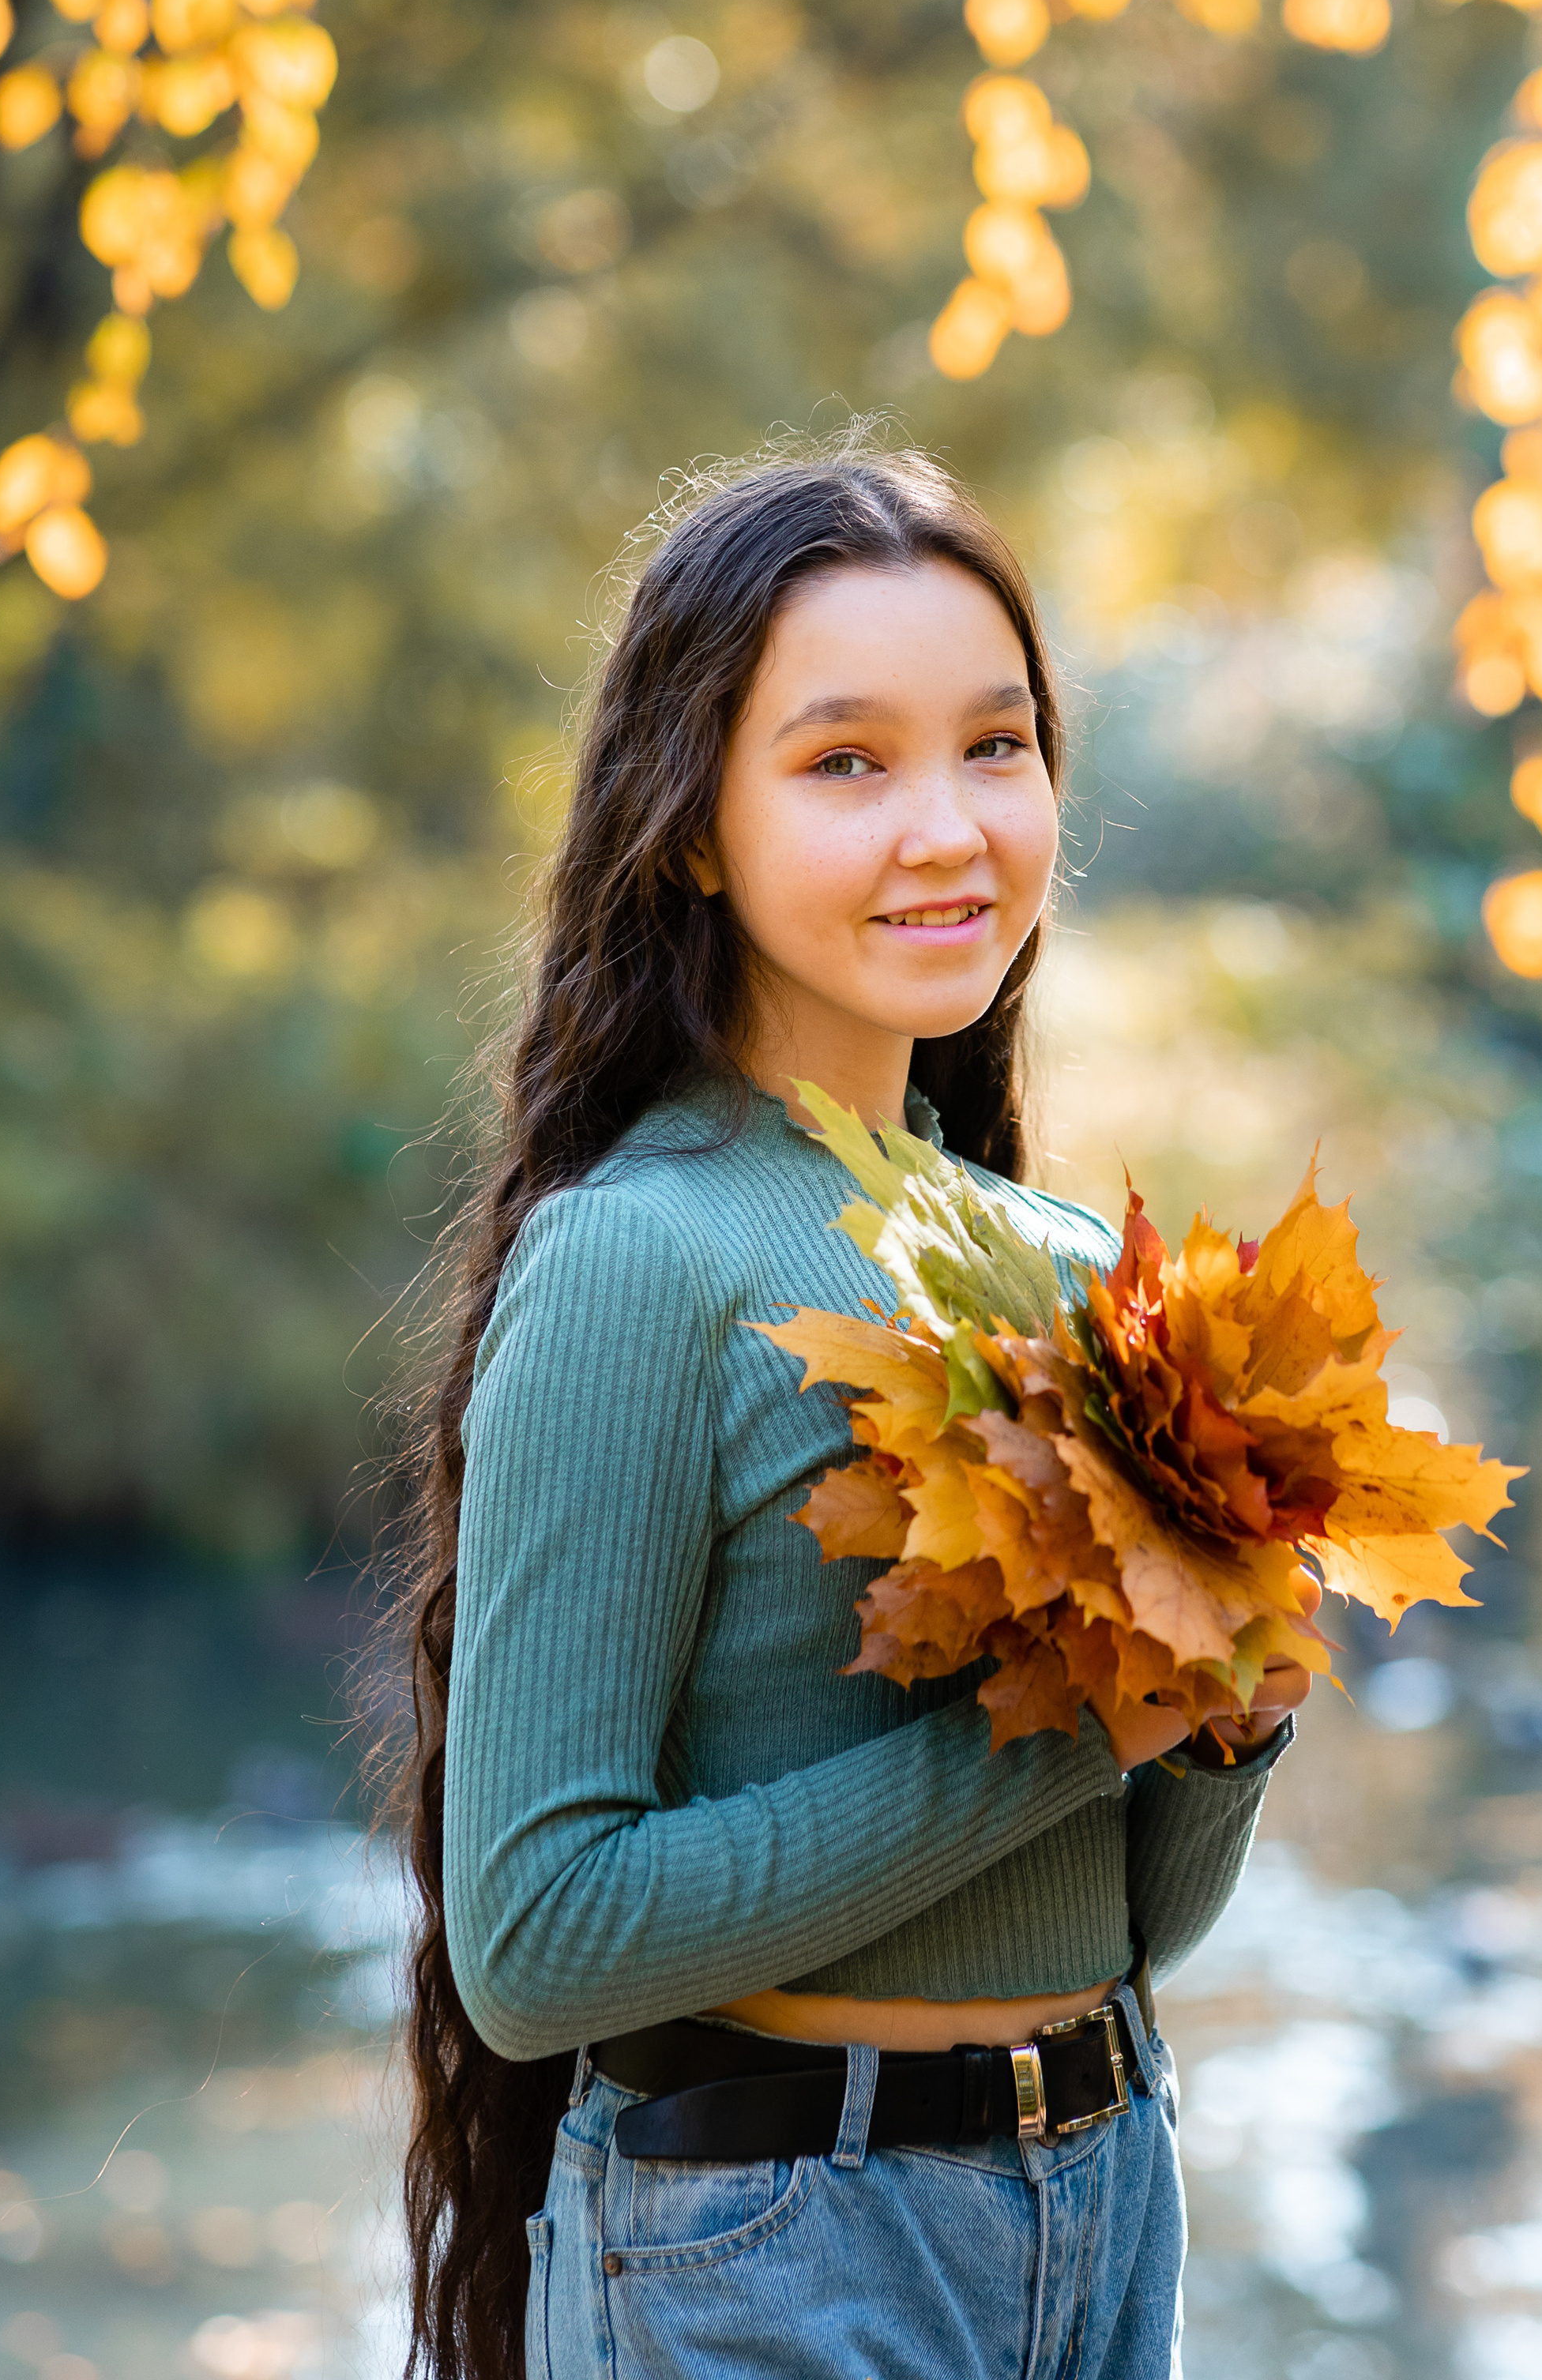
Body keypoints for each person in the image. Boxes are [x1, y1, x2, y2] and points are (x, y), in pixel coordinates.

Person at [385, 440, 1312, 2380]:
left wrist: (1228, 1729)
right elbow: (534, 1944)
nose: (947, 828)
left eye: (995, 746)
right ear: (690, 827)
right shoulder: (640, 1257)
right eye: (844, 763)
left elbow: (1131, 1919)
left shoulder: (1068, 1259)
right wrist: (1075, 1729)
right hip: (774, 2246)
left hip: (1104, 2194)